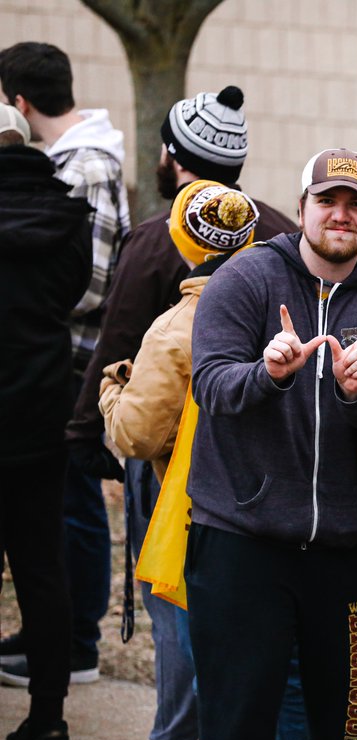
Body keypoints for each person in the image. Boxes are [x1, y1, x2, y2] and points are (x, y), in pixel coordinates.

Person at [66, 85, 298, 740]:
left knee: (180, 619)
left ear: (171, 159)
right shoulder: (285, 232)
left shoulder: (157, 244)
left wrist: (97, 410)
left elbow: (129, 374)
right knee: (263, 631)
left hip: (181, 476)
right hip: (274, 473)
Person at [186, 148, 357, 740]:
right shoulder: (248, 278)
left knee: (347, 738)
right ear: (304, 206)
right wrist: (269, 374)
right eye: (328, 200)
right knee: (236, 736)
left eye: (356, 205)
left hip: (342, 550)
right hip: (241, 540)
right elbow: (211, 385)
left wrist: (356, 390)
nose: (341, 214)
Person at [87, 181, 260, 740]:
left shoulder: (178, 326)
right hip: (259, 502)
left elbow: (135, 434)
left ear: (183, 239)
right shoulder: (272, 307)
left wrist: (113, 388)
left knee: (180, 632)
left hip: (184, 507)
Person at [0, 41, 131, 686]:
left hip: (72, 363)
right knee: (50, 516)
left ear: (19, 101)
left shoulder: (84, 167)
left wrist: (22, 303)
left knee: (74, 507)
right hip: (46, 361)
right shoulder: (61, 162)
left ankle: (77, 641)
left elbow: (95, 281)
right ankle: (49, 638)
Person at [0, 103, 92, 740]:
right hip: (42, 411)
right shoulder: (69, 217)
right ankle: (49, 724)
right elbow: (69, 301)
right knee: (41, 569)